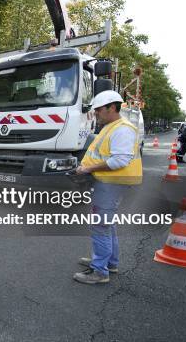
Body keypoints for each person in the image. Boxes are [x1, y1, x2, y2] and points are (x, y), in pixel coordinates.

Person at [74, 91, 142, 285]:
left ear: (112, 108)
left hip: (111, 183)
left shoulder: (123, 129)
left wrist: (87, 168)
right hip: (108, 181)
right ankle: (109, 262)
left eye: (99, 110)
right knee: (107, 224)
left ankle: (99, 271)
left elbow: (119, 160)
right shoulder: (111, 126)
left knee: (100, 226)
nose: (96, 114)